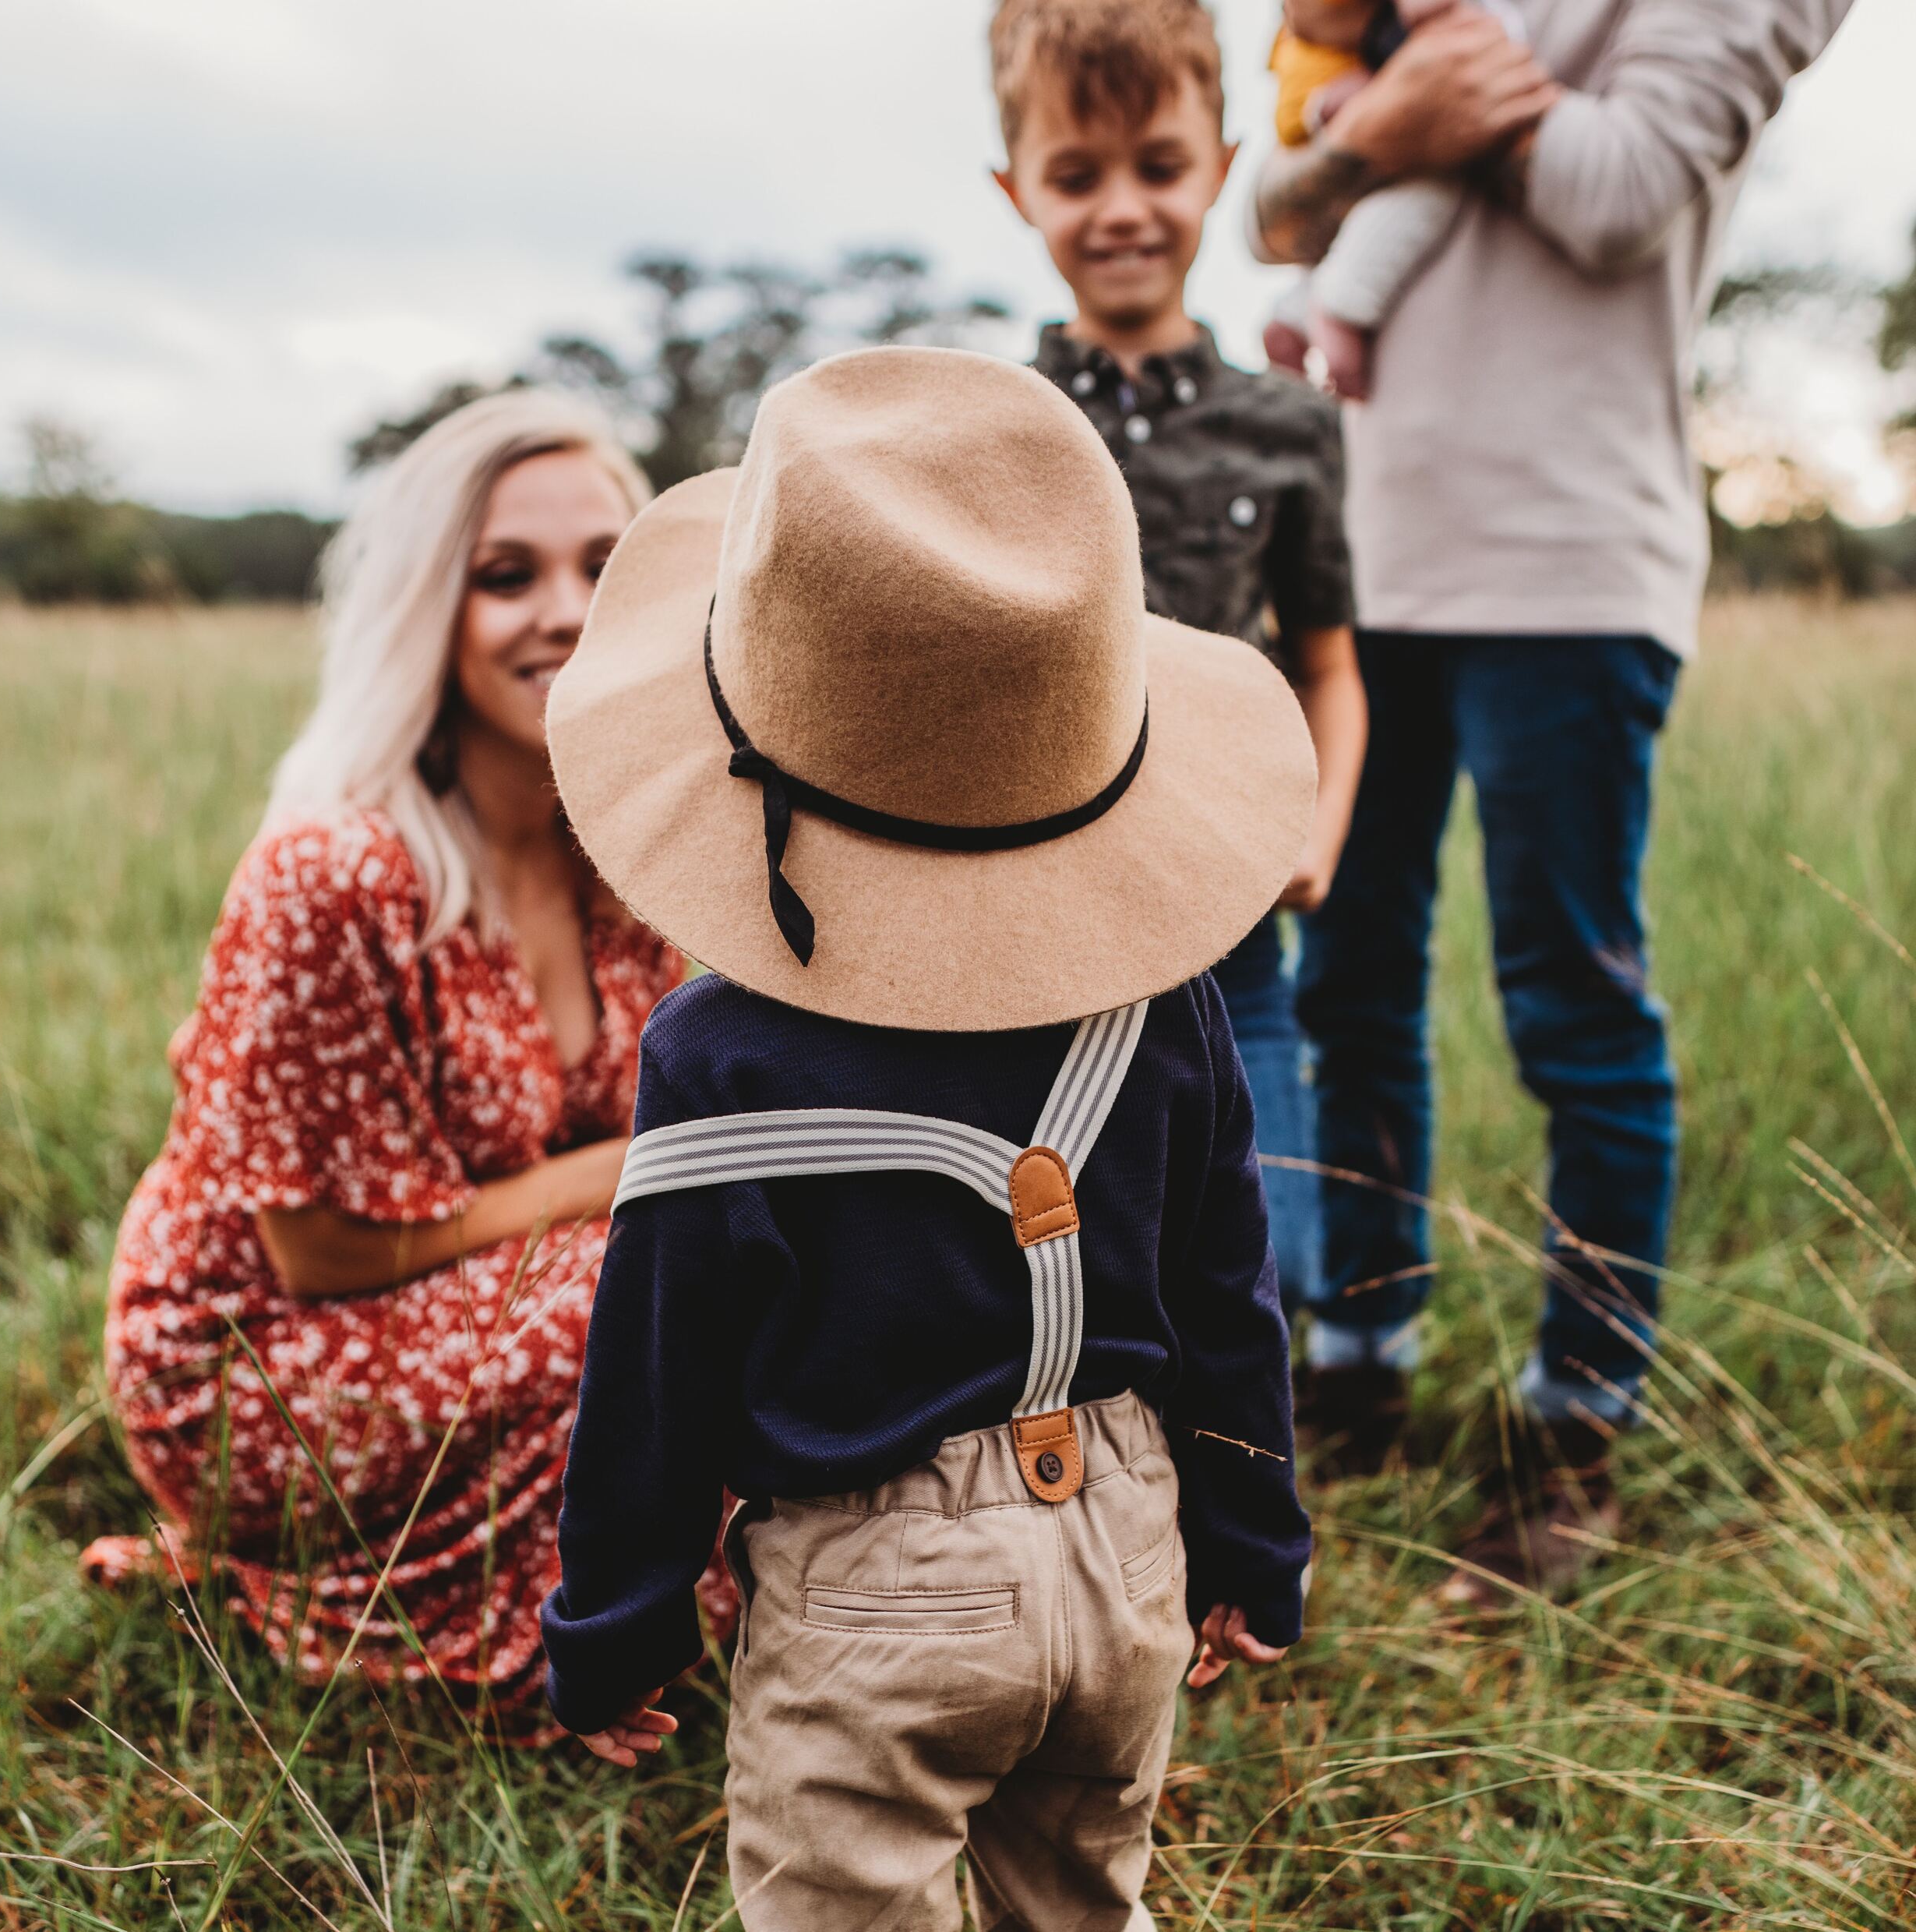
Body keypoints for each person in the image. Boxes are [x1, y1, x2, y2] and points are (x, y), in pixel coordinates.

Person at [538, 347, 1315, 1925]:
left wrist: (615, 1630)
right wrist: (1255, 1540)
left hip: (874, 1592)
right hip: (1127, 1546)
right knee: (1085, 1900)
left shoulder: (713, 1052)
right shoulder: (1166, 1009)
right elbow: (1232, 1301)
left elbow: (658, 1368)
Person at [1247, 0, 1854, 1587]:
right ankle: (1359, 1357)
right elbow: (1271, 204)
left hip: (1573, 568)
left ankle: (1573, 1425)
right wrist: (1390, 124)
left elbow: (1609, 188)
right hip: (1363, 555)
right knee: (1350, 977)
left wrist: (1428, 108)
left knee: (1573, 1001)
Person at [86, 390, 691, 1718]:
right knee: (670, 1276)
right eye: (505, 575)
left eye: (604, 565)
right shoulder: (336, 867)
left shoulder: (637, 852)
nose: (568, 608)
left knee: (743, 1255)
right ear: (428, 608)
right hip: (262, 1353)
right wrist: (633, 1170)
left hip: (483, 1287)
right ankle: (500, 1625)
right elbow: (323, 1251)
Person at [993, 0, 1367, 1333]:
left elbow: (1325, 661)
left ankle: (1259, 1455)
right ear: (1013, 189)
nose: (1120, 211)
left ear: (1215, 162)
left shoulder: (1283, 428)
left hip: (1227, 910)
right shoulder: (996, 424)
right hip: (1030, 907)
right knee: (1054, 1212)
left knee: (1252, 1214)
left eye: (1156, 166)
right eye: (1073, 177)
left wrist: (1311, 833)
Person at [1260, 0, 1528, 399]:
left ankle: (1298, 310)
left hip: (1360, 100)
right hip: (1362, 102)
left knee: (1390, 205)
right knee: (1426, 195)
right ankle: (1340, 306)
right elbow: (1260, 224)